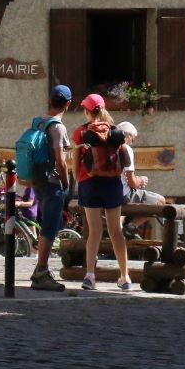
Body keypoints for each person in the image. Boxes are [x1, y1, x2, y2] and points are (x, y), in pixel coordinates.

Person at [72, 93, 133, 291]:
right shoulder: (115, 131)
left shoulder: (81, 132)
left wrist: (79, 179)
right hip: (113, 184)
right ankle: (125, 277)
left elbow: (75, 164)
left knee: (94, 232)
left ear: (86, 111)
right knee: (116, 231)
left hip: (90, 184)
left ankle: (90, 277)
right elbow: (125, 161)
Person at [29, 84, 74, 292]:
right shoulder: (58, 127)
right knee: (49, 228)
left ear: (50, 100)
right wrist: (66, 182)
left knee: (46, 225)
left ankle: (40, 270)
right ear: (68, 104)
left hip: (38, 180)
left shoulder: (38, 122)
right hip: (53, 182)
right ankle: (41, 273)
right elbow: (61, 161)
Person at [115, 121, 165, 239]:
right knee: (160, 201)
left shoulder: (108, 148)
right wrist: (140, 181)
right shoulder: (126, 148)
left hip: (107, 194)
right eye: (133, 138)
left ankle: (123, 224)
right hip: (123, 196)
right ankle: (131, 227)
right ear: (127, 135)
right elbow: (132, 183)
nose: (132, 142)